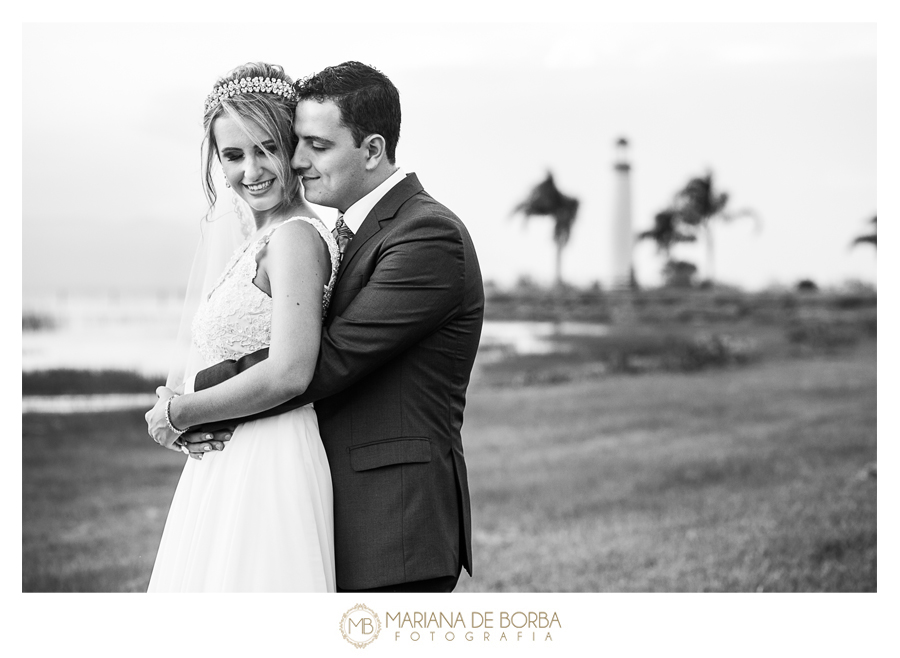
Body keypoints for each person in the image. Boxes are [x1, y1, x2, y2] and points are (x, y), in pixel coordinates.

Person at [172, 61, 485, 593]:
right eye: (296, 143)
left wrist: (190, 400)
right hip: (329, 502)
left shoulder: (427, 235)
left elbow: (327, 360)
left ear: (372, 149)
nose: (296, 160)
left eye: (315, 145)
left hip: (394, 519)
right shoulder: (342, 232)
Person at [145, 62, 339, 592]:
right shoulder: (258, 237)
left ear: (291, 147)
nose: (250, 170)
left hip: (268, 460)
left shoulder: (296, 237)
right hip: (228, 457)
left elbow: (290, 372)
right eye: (233, 155)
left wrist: (179, 413)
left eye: (265, 149)